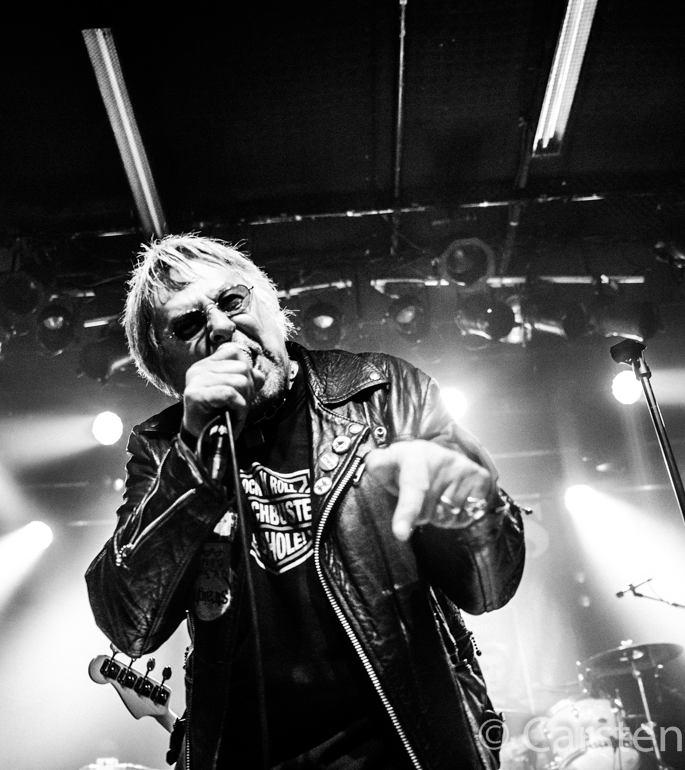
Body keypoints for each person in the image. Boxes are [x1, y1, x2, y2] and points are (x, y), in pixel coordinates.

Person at [86, 234, 525, 770]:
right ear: (166, 369)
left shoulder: (382, 392)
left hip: (411, 750)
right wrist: (194, 455)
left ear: (272, 307)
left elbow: (490, 588)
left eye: (232, 300)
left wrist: (472, 509)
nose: (220, 327)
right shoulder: (162, 450)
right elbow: (128, 624)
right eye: (188, 324)